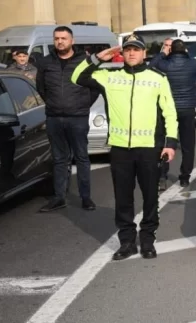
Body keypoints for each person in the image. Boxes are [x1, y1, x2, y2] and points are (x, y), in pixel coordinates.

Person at [71, 33, 178, 260]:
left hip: (149, 148)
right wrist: (99, 57)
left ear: (144, 53)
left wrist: (170, 144)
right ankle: (127, 242)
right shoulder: (110, 77)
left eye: (136, 49)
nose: (131, 53)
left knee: (150, 196)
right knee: (123, 198)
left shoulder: (157, 78)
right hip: (120, 149)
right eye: (127, 49)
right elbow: (77, 76)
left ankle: (148, 240)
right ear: (122, 53)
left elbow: (169, 112)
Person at [36, 26, 99, 213]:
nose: (60, 41)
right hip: (54, 117)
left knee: (81, 157)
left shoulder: (84, 61)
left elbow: (95, 87)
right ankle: (59, 197)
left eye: (64, 38)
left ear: (72, 40)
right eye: (56, 38)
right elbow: (41, 87)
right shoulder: (45, 62)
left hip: (78, 117)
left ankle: (86, 198)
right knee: (59, 159)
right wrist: (53, 104)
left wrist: (83, 103)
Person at [149, 39, 196, 189]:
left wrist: (163, 54)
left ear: (171, 50)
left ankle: (162, 176)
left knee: (164, 142)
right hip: (187, 109)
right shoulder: (193, 64)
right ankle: (185, 177)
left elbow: (150, 66)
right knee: (188, 145)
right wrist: (187, 55)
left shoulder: (164, 65)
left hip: (168, 108)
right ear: (185, 50)